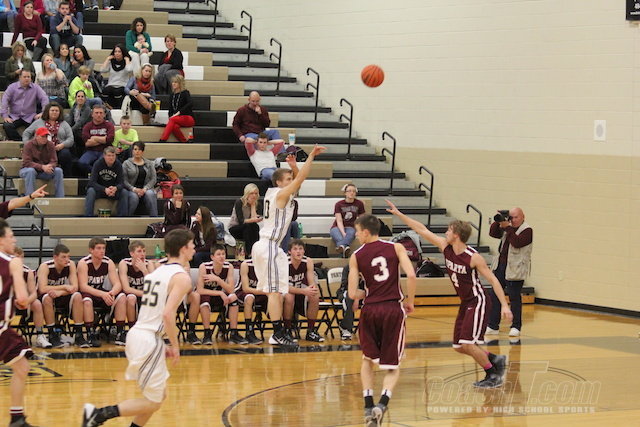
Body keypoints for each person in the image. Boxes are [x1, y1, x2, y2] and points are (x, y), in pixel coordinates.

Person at [385, 200, 512, 389]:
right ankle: (495, 359)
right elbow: (422, 230)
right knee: (459, 346)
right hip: (466, 302)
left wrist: (504, 305)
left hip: (478, 301)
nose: (445, 233)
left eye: (449, 230)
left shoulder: (473, 257)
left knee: (468, 343)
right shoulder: (445, 246)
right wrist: (399, 214)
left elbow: (493, 280)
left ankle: (493, 374)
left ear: (457, 235)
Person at [81, 229, 195, 427]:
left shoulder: (157, 272)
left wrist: (160, 344)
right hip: (147, 338)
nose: (194, 249)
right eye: (192, 245)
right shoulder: (181, 277)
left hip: (142, 335)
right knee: (153, 401)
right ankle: (98, 414)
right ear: (183, 248)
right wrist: (175, 345)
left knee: (158, 396)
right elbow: (168, 314)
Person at [252, 145, 326, 346]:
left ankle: (279, 332)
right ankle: (277, 333)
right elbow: (301, 179)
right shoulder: (280, 194)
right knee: (274, 292)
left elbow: (298, 181)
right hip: (268, 245)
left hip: (271, 247)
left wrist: (293, 167)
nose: (291, 181)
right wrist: (311, 156)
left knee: (276, 292)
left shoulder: (279, 193)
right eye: (287, 179)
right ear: (278, 182)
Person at [347, 213, 416, 426]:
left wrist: (368, 293)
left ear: (366, 232)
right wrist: (410, 301)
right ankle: (382, 403)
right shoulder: (396, 247)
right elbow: (411, 275)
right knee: (392, 365)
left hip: (370, 310)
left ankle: (368, 405)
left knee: (367, 359)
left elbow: (352, 293)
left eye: (357, 232)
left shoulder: (356, 256)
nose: (356, 236)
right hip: (392, 308)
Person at [0, 218, 37, 427]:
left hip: (3, 327)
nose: (14, 240)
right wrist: (21, 300)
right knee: (22, 366)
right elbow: (23, 299)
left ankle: (17, 418)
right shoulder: (13, 262)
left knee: (21, 366)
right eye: (10, 236)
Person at [486, 207, 533, 337]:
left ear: (523, 217)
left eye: (516, 217)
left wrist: (507, 227)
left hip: (515, 269)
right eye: (511, 217)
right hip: (501, 266)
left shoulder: (527, 230)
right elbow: (493, 233)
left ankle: (516, 326)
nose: (513, 220)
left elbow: (517, 242)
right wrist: (498, 221)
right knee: (494, 295)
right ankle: (492, 325)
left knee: (514, 297)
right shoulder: (508, 227)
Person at [37, 243, 89, 348]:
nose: (67, 259)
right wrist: (64, 286)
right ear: (55, 257)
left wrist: (60, 292)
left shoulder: (71, 265)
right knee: (47, 298)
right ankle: (52, 334)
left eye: (68, 256)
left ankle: (79, 334)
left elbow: (75, 287)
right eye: (63, 257)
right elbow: (42, 288)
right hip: (44, 297)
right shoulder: (45, 266)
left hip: (61, 295)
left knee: (77, 296)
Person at [78, 237, 126, 347]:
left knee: (122, 296)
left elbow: (117, 284)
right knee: (87, 300)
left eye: (103, 248)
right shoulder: (84, 263)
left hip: (101, 293)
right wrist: (103, 294)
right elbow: (83, 287)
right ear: (91, 250)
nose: (102, 251)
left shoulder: (108, 262)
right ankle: (90, 334)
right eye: (99, 248)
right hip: (88, 293)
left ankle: (120, 333)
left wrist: (111, 293)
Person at [196, 244, 245, 345]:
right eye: (218, 254)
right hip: (206, 294)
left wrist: (218, 280)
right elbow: (200, 290)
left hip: (219, 296)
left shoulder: (229, 266)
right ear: (212, 257)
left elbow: (231, 290)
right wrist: (220, 292)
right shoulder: (204, 267)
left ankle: (234, 332)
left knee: (233, 298)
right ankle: (207, 333)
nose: (222, 256)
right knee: (204, 301)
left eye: (223, 254)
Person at [285, 239, 324, 342]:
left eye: (300, 249)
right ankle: (287, 330)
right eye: (295, 249)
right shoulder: (284, 262)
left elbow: (311, 283)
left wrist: (312, 289)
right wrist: (303, 291)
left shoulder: (308, 261)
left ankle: (310, 331)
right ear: (289, 252)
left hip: (300, 291)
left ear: (304, 251)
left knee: (314, 295)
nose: (298, 251)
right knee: (289, 296)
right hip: (285, 293)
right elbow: (284, 287)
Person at [23, 102, 75, 179]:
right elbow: (26, 133)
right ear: (48, 111)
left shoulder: (64, 123)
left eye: (57, 111)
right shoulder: (39, 122)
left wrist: (62, 145)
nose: (54, 112)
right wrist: (28, 145)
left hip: (58, 149)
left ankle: (66, 176)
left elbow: (70, 138)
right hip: (42, 149)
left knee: (66, 154)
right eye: (52, 110)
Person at [13, 246, 51, 349]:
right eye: (17, 257)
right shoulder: (3, 271)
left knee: (37, 304)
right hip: (7, 301)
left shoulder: (28, 272)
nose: (20, 260)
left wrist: (26, 301)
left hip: (23, 302)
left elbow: (34, 294)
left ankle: (40, 335)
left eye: (22, 257)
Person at [1, 68, 49, 141]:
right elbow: (5, 100)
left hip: (30, 116)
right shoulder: (12, 87)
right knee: (7, 125)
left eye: (28, 77)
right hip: (15, 116)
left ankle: (30, 141)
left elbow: (44, 98)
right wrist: (5, 115)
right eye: (24, 77)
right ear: (20, 77)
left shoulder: (36, 87)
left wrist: (43, 112)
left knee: (40, 126)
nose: (27, 79)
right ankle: (20, 141)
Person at [19, 126, 65, 198]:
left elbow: (54, 160)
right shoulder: (28, 145)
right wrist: (42, 167)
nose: (45, 138)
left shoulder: (50, 145)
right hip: (27, 169)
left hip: (44, 171)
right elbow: (27, 162)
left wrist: (50, 166)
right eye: (42, 136)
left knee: (58, 170)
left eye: (46, 136)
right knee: (30, 171)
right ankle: (29, 197)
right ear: (37, 136)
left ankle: (60, 198)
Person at [118, 240, 154, 330]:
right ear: (131, 254)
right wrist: (145, 294)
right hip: (130, 295)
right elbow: (126, 289)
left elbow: (153, 286)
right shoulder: (124, 263)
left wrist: (144, 271)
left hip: (144, 296)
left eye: (144, 251)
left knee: (155, 298)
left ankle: (151, 328)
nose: (142, 254)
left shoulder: (149, 264)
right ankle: (132, 328)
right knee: (131, 298)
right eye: (139, 251)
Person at [84, 146, 129, 217]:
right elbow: (92, 182)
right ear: (104, 156)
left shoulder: (118, 165)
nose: (111, 158)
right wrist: (104, 189)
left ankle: (121, 217)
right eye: (109, 155)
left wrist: (115, 188)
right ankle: (88, 216)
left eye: (113, 156)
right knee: (91, 191)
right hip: (100, 190)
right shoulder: (98, 164)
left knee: (124, 192)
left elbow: (121, 183)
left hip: (113, 191)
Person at [123, 141, 158, 216]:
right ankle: (127, 218)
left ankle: (154, 218)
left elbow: (153, 178)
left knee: (150, 194)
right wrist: (134, 189)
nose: (137, 151)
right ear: (132, 151)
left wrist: (145, 189)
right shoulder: (126, 163)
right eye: (135, 149)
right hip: (131, 190)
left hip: (146, 189)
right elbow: (124, 180)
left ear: (142, 151)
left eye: (139, 150)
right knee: (134, 197)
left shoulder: (149, 163)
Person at [331, 183, 365, 257]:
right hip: (337, 227)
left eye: (353, 191)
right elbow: (339, 220)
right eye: (349, 191)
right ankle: (345, 249)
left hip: (351, 226)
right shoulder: (338, 204)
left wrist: (359, 230)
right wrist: (343, 233)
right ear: (345, 193)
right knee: (339, 237)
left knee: (351, 233)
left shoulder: (359, 203)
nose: (351, 193)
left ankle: (341, 248)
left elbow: (362, 219)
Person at [79, 104, 115, 175]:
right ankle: (95, 174)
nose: (99, 115)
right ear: (92, 114)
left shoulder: (109, 125)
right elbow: (87, 143)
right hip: (91, 151)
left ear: (104, 115)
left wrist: (94, 138)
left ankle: (94, 175)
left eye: (101, 113)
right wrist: (103, 139)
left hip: (105, 151)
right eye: (96, 113)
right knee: (82, 163)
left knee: (101, 163)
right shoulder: (87, 126)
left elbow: (109, 139)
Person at [236, 258, 266, 345]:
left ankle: (280, 330)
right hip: (242, 292)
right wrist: (266, 292)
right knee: (249, 297)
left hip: (261, 293)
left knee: (277, 296)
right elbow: (246, 288)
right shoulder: (246, 264)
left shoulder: (268, 264)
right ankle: (249, 331)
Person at [228, 183, 262, 257]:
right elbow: (241, 221)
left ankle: (255, 250)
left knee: (255, 226)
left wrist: (253, 205)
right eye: (251, 193)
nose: (254, 195)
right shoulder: (239, 202)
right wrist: (253, 219)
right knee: (247, 227)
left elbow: (254, 220)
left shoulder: (256, 204)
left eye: (256, 193)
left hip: (246, 227)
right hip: (235, 227)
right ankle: (249, 252)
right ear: (247, 193)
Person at [159, 74, 194, 143]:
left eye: (175, 82)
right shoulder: (172, 95)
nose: (173, 84)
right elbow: (170, 109)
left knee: (172, 119)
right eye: (172, 82)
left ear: (180, 83)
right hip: (176, 119)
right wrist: (171, 116)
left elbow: (190, 104)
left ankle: (163, 139)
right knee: (174, 126)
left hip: (188, 118)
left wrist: (178, 113)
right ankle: (184, 141)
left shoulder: (185, 93)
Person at [100, 44, 133, 109]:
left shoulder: (128, 63)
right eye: (115, 51)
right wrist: (107, 59)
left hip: (122, 85)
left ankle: (119, 108)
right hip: (111, 84)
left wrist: (127, 60)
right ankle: (104, 107)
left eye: (119, 52)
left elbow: (129, 70)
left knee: (117, 92)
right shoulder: (111, 62)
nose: (117, 53)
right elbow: (102, 70)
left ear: (123, 53)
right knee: (105, 90)